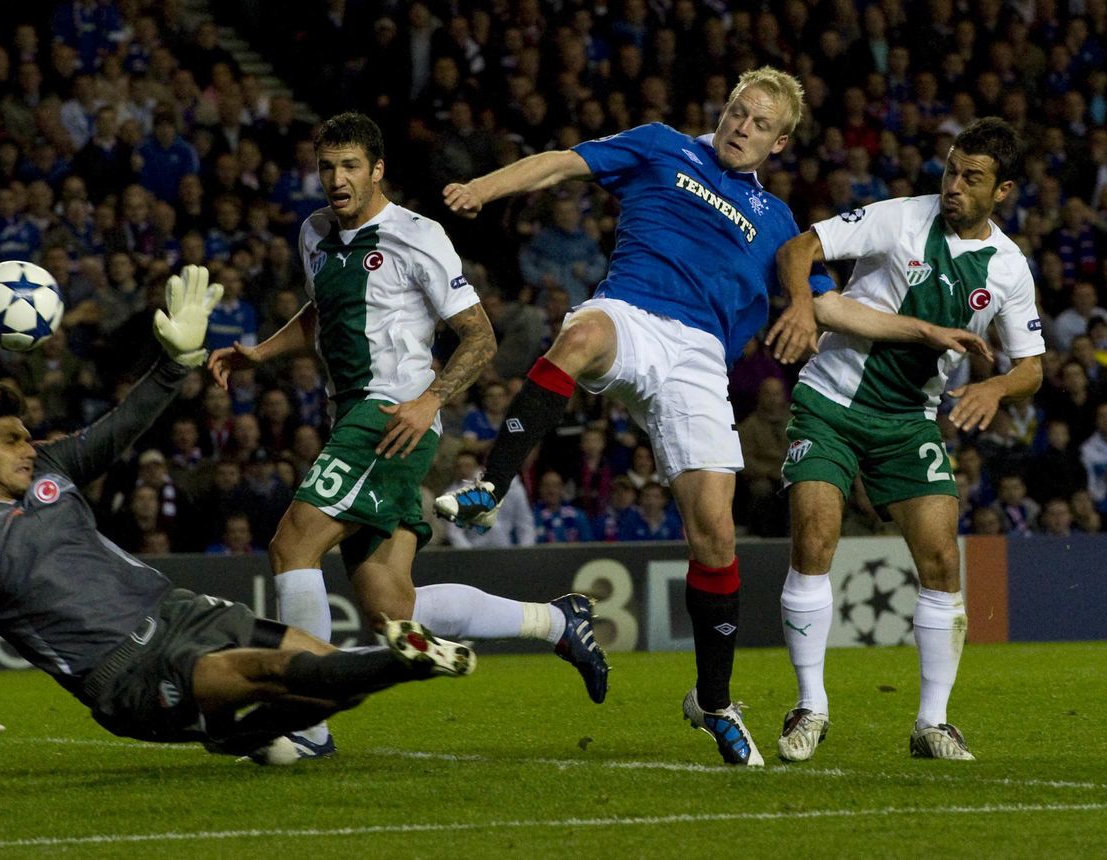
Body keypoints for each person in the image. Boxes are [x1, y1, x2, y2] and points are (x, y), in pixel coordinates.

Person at [0, 266, 476, 776]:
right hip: (125, 672)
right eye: (11, 440)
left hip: (179, 611)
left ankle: (236, 733)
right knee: (273, 673)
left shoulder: (51, 468)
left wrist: (174, 363)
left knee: (331, 687)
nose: (27, 447)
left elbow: (123, 425)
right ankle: (411, 661)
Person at [434, 67, 836, 766]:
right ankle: (490, 487)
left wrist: (858, 320)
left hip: (700, 359)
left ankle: (713, 703)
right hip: (633, 312)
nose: (742, 127)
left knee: (714, 534)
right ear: (725, 108)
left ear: (780, 141)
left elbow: (820, 294)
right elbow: (564, 162)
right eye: (738, 111)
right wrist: (483, 187)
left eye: (760, 123)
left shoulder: (778, 224)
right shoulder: (661, 146)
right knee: (581, 338)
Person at [208, 113, 609, 760]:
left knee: (292, 546)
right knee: (392, 610)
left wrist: (428, 401)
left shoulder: (418, 236)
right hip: (356, 420)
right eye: (326, 167)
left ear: (376, 171)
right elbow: (322, 314)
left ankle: (306, 723)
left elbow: (479, 336)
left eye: (349, 167)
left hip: (389, 417)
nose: (336, 180)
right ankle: (557, 621)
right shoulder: (315, 234)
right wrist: (261, 353)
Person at [774, 118, 1044, 763]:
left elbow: (1031, 366)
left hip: (909, 420)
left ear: (1002, 190)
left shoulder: (1008, 267)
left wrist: (994, 390)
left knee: (942, 563)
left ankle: (932, 723)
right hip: (831, 403)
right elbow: (798, 249)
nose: (953, 185)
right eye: (950, 170)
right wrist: (798, 304)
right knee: (815, 539)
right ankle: (810, 706)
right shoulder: (897, 218)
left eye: (971, 177)